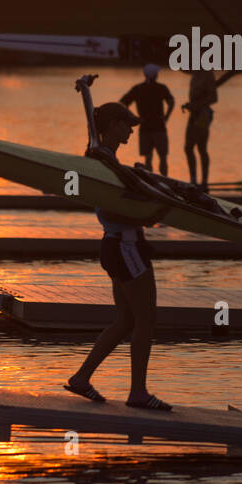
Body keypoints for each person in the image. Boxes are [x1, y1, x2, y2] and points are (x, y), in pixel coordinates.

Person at [65, 88, 172, 411]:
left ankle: (81, 378)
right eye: (127, 125)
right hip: (125, 247)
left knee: (126, 320)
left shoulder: (102, 156)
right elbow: (110, 210)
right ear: (112, 124)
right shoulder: (100, 161)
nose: (131, 131)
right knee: (146, 320)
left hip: (117, 246)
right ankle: (138, 393)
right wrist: (151, 215)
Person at [182, 69, 237, 189]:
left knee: (201, 148)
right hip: (193, 114)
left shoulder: (208, 74)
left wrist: (196, 105)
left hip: (203, 115)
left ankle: (204, 181)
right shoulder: (195, 73)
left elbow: (213, 98)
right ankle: (193, 180)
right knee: (188, 147)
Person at [121, 63, 175, 174]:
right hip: (159, 126)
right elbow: (171, 102)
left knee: (148, 159)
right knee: (163, 157)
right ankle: (165, 180)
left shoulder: (138, 88)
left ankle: (151, 181)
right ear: (155, 76)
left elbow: (123, 103)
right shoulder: (161, 88)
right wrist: (167, 116)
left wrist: (134, 118)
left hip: (144, 126)